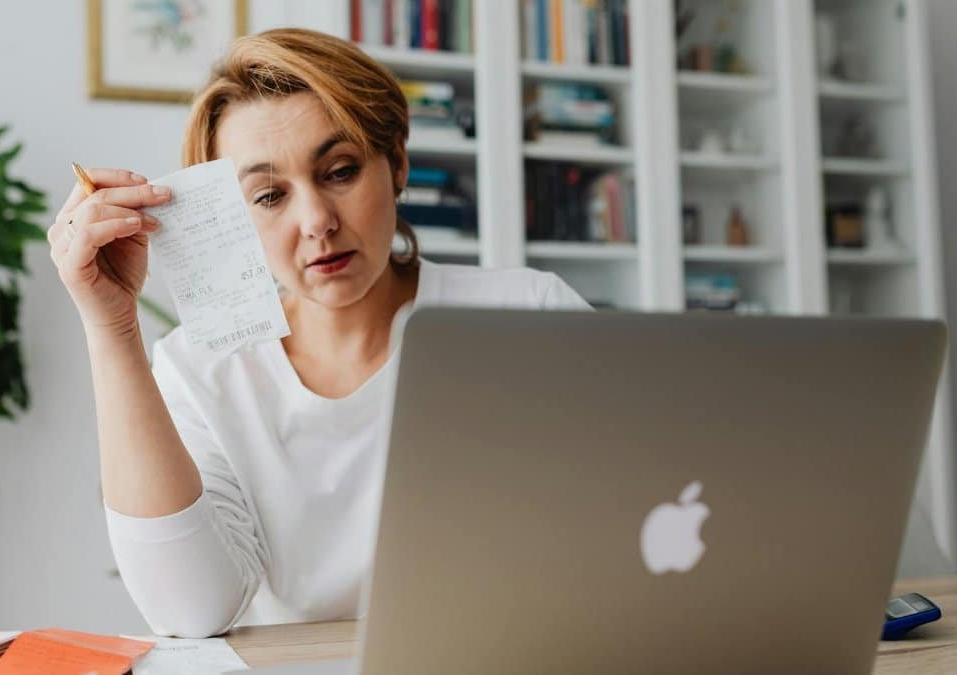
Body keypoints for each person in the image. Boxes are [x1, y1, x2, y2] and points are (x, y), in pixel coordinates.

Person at [46, 27, 591, 638]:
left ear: (398, 162)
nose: (317, 222)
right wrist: (112, 326)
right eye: (270, 195)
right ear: (231, 215)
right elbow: (190, 611)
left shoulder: (531, 314)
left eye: (339, 171)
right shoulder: (201, 371)